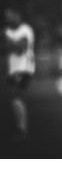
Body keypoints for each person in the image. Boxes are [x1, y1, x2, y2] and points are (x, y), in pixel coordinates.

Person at [3, 8, 35, 142]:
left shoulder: (25, 29)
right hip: (12, 70)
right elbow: (5, 48)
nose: (9, 19)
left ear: (18, 15)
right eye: (7, 16)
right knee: (14, 100)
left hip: (24, 68)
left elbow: (20, 49)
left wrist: (9, 42)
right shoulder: (7, 31)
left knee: (16, 98)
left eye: (11, 16)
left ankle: (22, 129)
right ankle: (19, 127)